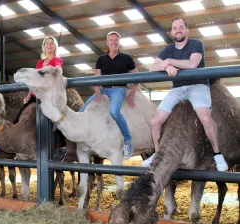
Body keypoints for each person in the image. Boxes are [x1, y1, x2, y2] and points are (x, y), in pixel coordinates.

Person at [141, 17, 228, 171]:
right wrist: (164, 65)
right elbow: (151, 68)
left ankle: (217, 153)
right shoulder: (168, 48)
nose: (178, 30)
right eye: (175, 28)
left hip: (197, 86)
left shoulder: (196, 44)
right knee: (155, 121)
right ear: (171, 31)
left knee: (205, 117)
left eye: (181, 27)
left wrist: (168, 61)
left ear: (187, 30)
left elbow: (192, 64)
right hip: (177, 89)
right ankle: (156, 153)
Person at [79, 31, 139, 160]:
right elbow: (96, 78)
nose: (114, 42)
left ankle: (128, 141)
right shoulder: (101, 59)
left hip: (118, 89)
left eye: (116, 40)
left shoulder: (127, 58)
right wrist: (98, 93)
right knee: (82, 109)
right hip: (104, 89)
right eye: (111, 40)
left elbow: (137, 76)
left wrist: (132, 94)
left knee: (114, 111)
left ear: (119, 42)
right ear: (107, 42)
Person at [15, 36, 67, 161]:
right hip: (36, 95)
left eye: (51, 43)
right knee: (19, 116)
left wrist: (58, 70)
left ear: (54, 46)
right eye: (46, 43)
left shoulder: (56, 60)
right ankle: (20, 147)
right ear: (43, 46)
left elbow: (58, 69)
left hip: (48, 95)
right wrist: (29, 94)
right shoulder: (39, 63)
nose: (49, 45)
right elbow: (34, 80)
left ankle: (63, 146)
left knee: (56, 119)